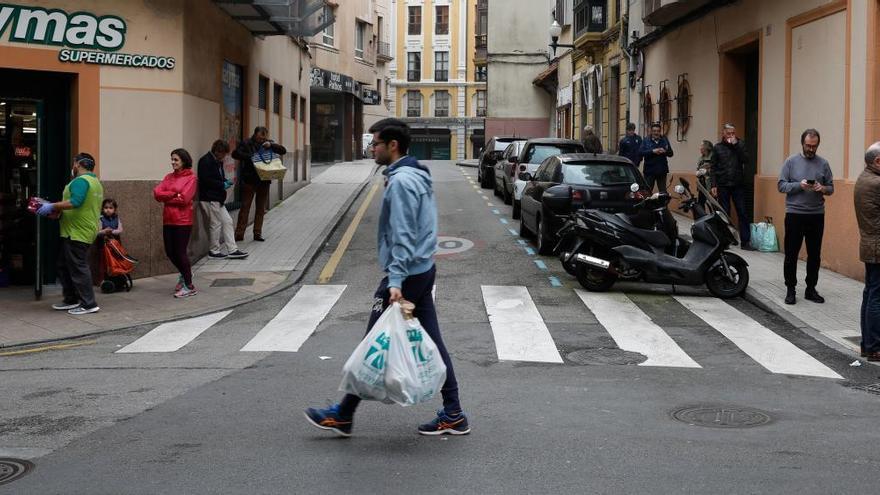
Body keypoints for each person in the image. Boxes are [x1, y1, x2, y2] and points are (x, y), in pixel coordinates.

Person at [305, 118, 469, 437]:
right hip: (421, 269)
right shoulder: (414, 174)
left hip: (406, 275)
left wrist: (395, 281)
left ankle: (343, 414)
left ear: (392, 146)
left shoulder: (403, 182)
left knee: (373, 345)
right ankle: (454, 412)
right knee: (429, 342)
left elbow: (404, 234)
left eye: (376, 143)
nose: (372, 148)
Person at [37, 153, 104, 315]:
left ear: (78, 164)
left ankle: (88, 304)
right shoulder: (95, 182)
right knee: (64, 265)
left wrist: (52, 206)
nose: (72, 167)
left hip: (77, 232)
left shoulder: (80, 181)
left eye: (74, 163)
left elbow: (75, 202)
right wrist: (58, 211)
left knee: (78, 267)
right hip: (77, 230)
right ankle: (71, 299)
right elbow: (82, 206)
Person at [777, 129, 833, 305]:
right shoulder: (791, 162)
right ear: (802, 143)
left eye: (814, 146)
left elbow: (831, 188)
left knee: (814, 254)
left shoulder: (823, 163)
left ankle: (810, 289)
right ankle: (790, 289)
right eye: (808, 146)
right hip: (795, 214)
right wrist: (798, 185)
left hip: (816, 215)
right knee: (791, 254)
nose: (811, 149)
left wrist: (822, 188)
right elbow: (781, 185)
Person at [154, 148, 198, 298]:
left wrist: (167, 197)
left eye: (176, 160)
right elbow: (157, 193)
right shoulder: (168, 177)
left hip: (183, 221)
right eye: (172, 159)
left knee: (180, 252)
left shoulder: (191, 178)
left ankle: (189, 285)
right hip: (168, 219)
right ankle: (185, 273)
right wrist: (173, 194)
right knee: (170, 252)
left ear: (184, 161)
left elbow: (184, 199)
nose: (172, 162)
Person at [233, 127, 287, 242]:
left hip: (264, 180)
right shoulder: (246, 143)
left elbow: (283, 150)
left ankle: (257, 233)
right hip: (250, 180)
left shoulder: (268, 143)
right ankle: (239, 233)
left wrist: (271, 145)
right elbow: (235, 154)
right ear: (255, 134)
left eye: (264, 136)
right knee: (245, 207)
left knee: (260, 208)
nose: (262, 138)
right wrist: (251, 157)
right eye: (260, 136)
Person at [198, 140, 248, 260]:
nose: (225, 157)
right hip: (210, 198)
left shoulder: (217, 161)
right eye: (224, 154)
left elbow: (217, 177)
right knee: (215, 224)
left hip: (217, 198)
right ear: (217, 151)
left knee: (228, 221)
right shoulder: (206, 161)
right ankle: (214, 251)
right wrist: (222, 184)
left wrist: (225, 181)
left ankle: (232, 249)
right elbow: (206, 180)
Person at [854, 142, 880, 361]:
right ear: (877, 161)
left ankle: (867, 345)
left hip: (870, 244)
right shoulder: (876, 183)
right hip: (877, 246)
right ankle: (874, 347)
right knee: (876, 296)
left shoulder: (864, 177)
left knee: (870, 293)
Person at [710, 123, 753, 250]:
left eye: (733, 133)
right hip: (723, 184)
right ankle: (726, 240)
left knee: (742, 212)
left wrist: (737, 146)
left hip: (738, 184)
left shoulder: (740, 144)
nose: (731, 136)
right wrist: (713, 185)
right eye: (728, 133)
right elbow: (713, 167)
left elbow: (746, 159)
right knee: (724, 213)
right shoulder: (717, 147)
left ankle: (745, 242)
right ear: (723, 134)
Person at [639, 122, 674, 192]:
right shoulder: (646, 140)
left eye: (658, 131)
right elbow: (640, 152)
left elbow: (671, 153)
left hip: (662, 171)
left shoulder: (664, 139)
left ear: (660, 132)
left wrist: (665, 152)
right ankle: (648, 203)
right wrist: (652, 151)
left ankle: (662, 203)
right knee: (647, 192)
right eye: (654, 131)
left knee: (663, 193)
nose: (656, 133)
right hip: (649, 171)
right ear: (651, 131)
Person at [696, 140, 714, 207]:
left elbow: (716, 170)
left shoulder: (713, 157)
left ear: (706, 147)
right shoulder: (701, 158)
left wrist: (707, 172)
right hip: (702, 183)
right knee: (701, 203)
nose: (700, 148)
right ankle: (702, 216)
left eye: (701, 146)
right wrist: (697, 173)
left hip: (710, 184)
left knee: (712, 203)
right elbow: (698, 168)